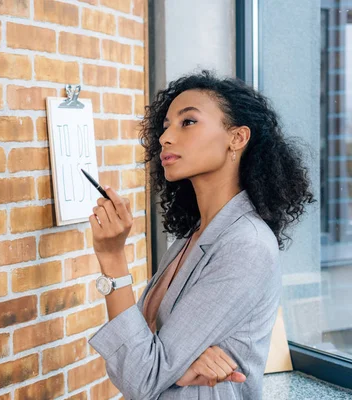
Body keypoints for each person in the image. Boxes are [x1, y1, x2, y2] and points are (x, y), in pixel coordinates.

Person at [87, 70, 315, 399]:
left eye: (188, 122)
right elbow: (140, 356)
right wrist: (176, 368)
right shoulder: (193, 235)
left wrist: (112, 257)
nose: (165, 137)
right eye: (165, 126)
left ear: (236, 138)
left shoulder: (246, 244)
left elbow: (142, 374)